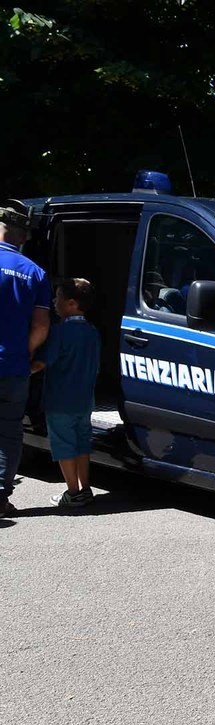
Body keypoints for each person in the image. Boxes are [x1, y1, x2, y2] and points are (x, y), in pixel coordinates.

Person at [0, 200, 51, 518]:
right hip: (14, 367)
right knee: (8, 431)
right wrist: (26, 353)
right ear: (25, 236)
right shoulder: (35, 273)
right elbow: (42, 326)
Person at [31, 279, 101, 508]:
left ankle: (72, 491)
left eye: (57, 297)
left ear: (71, 303)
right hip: (85, 399)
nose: (53, 301)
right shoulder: (92, 332)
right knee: (82, 442)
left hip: (60, 399)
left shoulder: (59, 332)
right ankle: (85, 487)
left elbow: (42, 363)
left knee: (63, 444)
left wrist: (21, 370)